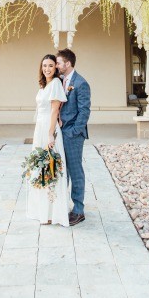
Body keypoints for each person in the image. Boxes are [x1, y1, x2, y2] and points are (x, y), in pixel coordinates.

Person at [26, 54, 71, 226]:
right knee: (40, 167)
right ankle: (41, 210)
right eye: (44, 65)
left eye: (51, 65)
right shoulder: (44, 86)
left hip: (48, 128)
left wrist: (50, 133)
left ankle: (53, 212)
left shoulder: (56, 84)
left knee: (50, 167)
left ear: (56, 68)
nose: (47, 68)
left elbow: (54, 110)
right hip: (40, 128)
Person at [55, 49, 90, 226]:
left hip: (73, 135)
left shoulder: (81, 83)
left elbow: (84, 112)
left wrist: (73, 132)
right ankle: (62, 206)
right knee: (63, 171)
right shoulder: (60, 81)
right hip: (61, 133)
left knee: (75, 171)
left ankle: (78, 210)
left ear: (67, 64)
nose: (57, 65)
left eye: (59, 62)